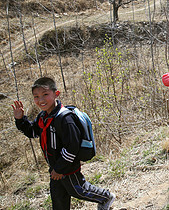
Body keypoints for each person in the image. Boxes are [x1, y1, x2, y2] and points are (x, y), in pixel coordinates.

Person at [12, 77, 115, 210]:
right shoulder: (43, 117)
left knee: (78, 189)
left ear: (56, 94)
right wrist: (20, 120)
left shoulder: (65, 119)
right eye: (36, 97)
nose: (41, 100)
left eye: (45, 95)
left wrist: (60, 169)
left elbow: (72, 147)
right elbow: (33, 132)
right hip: (55, 167)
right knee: (58, 198)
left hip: (67, 167)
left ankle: (106, 197)